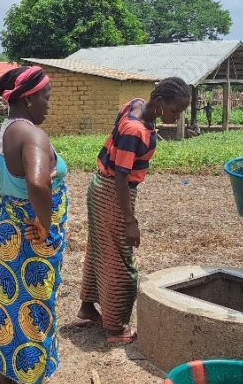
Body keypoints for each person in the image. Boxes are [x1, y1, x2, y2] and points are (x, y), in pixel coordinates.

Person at [0, 66, 68, 384]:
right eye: (46, 97)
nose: (49, 104)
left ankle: (8, 381)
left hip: (7, 233)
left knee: (7, 302)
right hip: (32, 240)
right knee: (33, 309)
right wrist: (44, 224)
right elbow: (37, 183)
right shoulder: (32, 135)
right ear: (29, 98)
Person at [75, 78, 192, 343]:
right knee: (122, 260)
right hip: (114, 192)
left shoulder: (135, 104)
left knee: (100, 248)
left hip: (100, 186)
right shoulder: (134, 130)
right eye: (175, 110)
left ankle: (87, 309)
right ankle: (116, 328)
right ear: (159, 102)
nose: (177, 116)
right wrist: (130, 220)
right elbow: (121, 175)